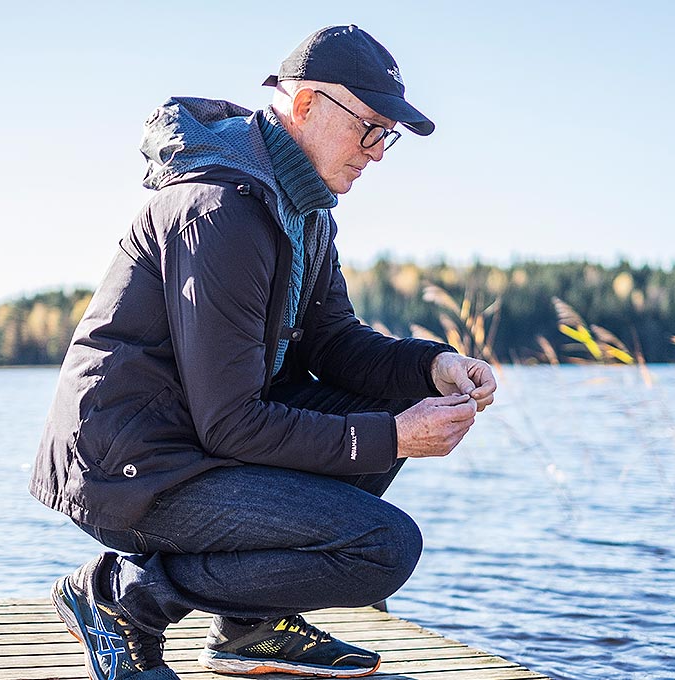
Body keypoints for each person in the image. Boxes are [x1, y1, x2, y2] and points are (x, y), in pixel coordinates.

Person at [29, 24, 496, 680]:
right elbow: (231, 422)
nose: (377, 153)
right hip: (131, 466)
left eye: (386, 136)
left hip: (199, 439)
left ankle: (251, 627)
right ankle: (123, 597)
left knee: (395, 396)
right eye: (370, 129)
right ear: (305, 105)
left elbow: (334, 341)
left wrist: (431, 366)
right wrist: (394, 437)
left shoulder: (306, 208)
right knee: (381, 547)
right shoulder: (221, 210)